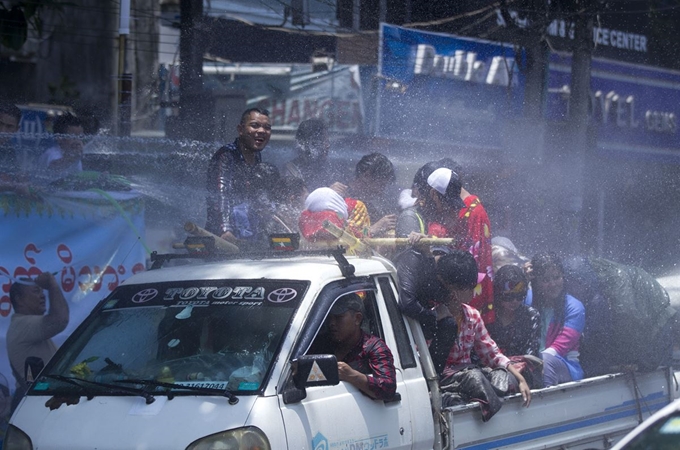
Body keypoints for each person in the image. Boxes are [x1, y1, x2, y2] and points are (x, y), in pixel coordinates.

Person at [436, 251, 531, 420]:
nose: (475, 292)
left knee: (505, 375)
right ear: (455, 289)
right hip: (445, 383)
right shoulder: (432, 316)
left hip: (470, 380)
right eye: (472, 287)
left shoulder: (472, 315)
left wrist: (519, 378)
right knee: (474, 376)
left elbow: (492, 354)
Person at [205, 108, 272, 242]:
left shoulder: (257, 155)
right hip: (223, 238)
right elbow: (221, 194)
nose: (262, 131)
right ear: (240, 129)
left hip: (248, 234)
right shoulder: (226, 155)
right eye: (255, 125)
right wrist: (225, 229)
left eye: (267, 127)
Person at [6, 272, 69, 410]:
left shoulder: (27, 326)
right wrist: (52, 285)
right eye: (36, 291)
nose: (42, 296)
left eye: (42, 291)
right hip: (36, 404)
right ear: (19, 299)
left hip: (39, 401)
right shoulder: (22, 325)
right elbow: (60, 320)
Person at [319, 293, 397, 400]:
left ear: (357, 318)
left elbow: (388, 389)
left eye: (338, 317)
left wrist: (351, 375)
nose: (331, 323)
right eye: (329, 318)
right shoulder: (322, 344)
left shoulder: (374, 347)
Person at [525, 252, 585, 387]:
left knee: (545, 361)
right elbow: (510, 305)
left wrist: (531, 362)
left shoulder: (574, 307)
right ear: (536, 282)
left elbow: (559, 348)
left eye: (556, 277)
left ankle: (546, 404)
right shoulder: (528, 299)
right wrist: (524, 281)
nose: (553, 284)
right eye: (545, 280)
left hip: (566, 366)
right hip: (534, 363)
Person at [487, 264, 542, 388]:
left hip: (524, 371)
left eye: (519, 296)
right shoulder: (487, 317)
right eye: (508, 296)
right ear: (497, 293)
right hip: (492, 371)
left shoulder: (531, 315)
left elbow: (531, 353)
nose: (515, 301)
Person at [342, 153, 398, 237]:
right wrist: (373, 229)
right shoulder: (341, 200)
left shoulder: (371, 207)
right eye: (381, 185)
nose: (381, 192)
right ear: (366, 176)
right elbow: (342, 235)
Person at [284, 118, 342, 192]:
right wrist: (328, 193)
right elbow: (297, 201)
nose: (327, 146)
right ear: (308, 144)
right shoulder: (292, 170)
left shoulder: (331, 169)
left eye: (327, 141)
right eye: (323, 141)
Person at [36, 113, 84, 180]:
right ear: (59, 138)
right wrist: (73, 158)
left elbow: (77, 179)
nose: (77, 141)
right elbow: (54, 167)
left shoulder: (74, 155)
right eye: (72, 137)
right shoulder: (51, 153)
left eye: (80, 137)